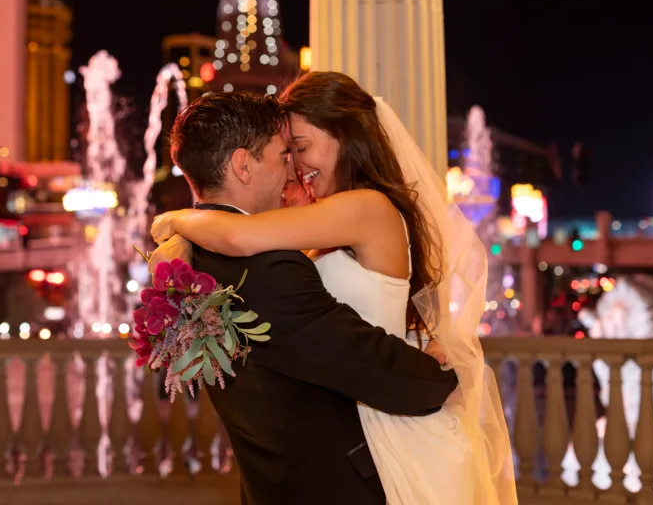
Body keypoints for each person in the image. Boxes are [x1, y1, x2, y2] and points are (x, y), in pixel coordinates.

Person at [152, 72, 516, 504]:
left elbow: (239, 236)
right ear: (242, 164)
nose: (294, 166)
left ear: (344, 137)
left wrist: (178, 221)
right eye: (287, 152)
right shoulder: (300, 233)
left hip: (388, 419)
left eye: (299, 148)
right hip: (365, 420)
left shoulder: (365, 206)